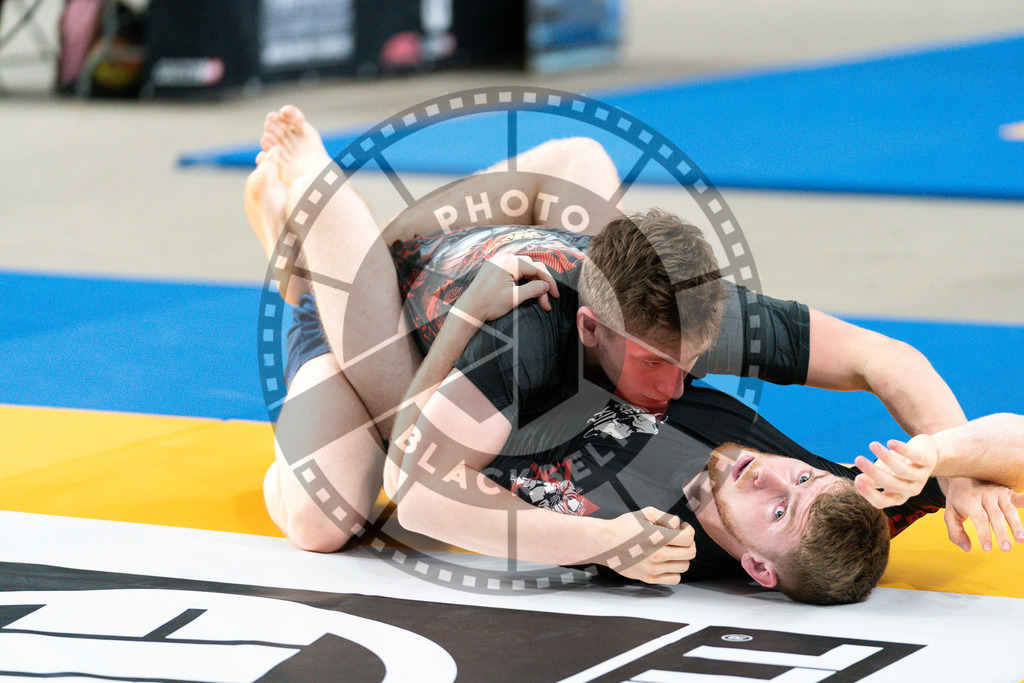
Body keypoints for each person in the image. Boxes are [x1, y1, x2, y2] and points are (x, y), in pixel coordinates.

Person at [245, 105, 1021, 602]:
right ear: (592, 331)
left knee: (582, 170)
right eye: (805, 477)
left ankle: (321, 252)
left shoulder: (831, 520)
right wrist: (952, 461)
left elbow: (897, 367)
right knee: (337, 500)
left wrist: (952, 468)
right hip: (415, 320)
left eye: (783, 504)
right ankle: (309, 207)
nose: (778, 472)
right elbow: (415, 487)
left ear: (759, 569)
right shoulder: (541, 333)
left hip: (517, 302)